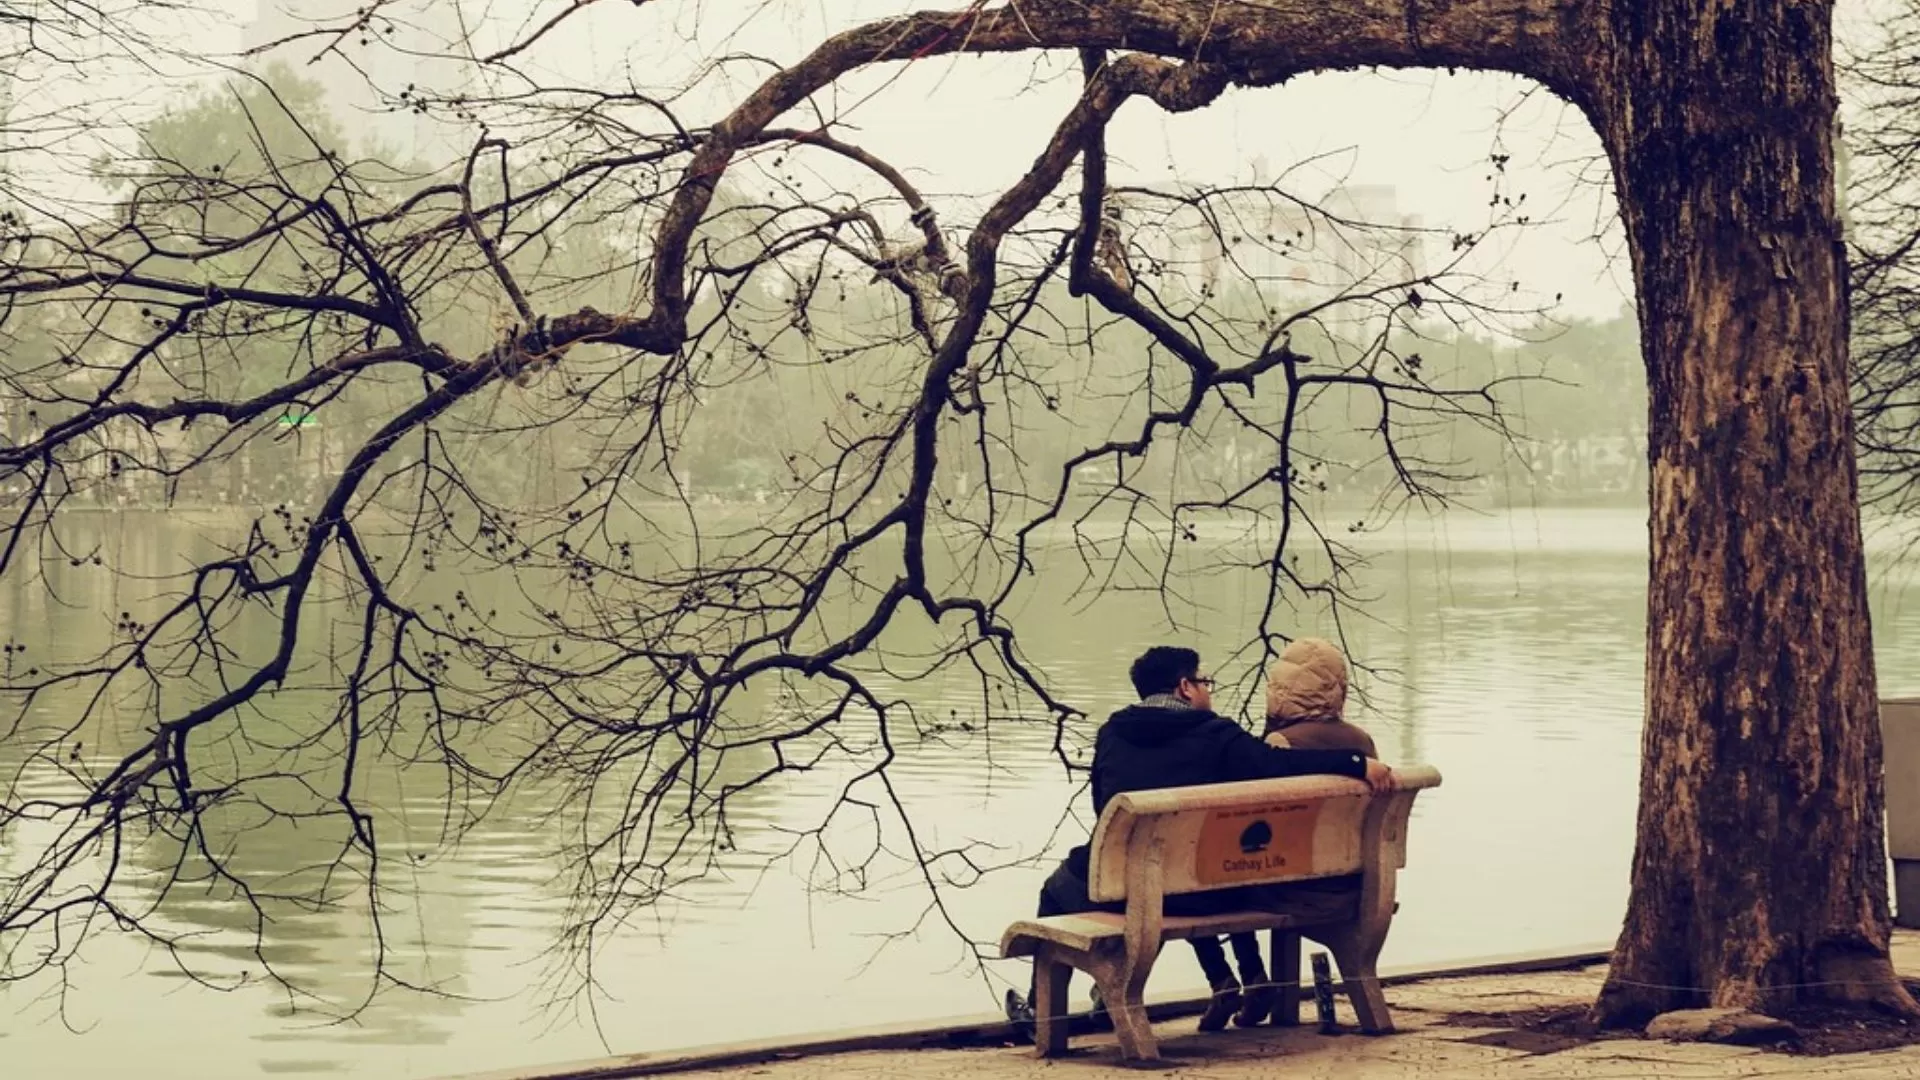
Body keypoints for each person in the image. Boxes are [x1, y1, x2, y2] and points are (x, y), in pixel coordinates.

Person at [1005, 645, 1394, 1039]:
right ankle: (1129, 995)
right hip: (1215, 890)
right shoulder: (1217, 735)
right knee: (1191, 868)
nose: (1209, 689)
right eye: (1205, 681)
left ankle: (1044, 1015)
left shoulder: (1112, 733)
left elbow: (1103, 809)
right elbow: (1279, 766)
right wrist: (1355, 763)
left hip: (1131, 889)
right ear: (1185, 687)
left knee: (1056, 891)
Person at [1209, 637, 1381, 1027]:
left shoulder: (1282, 743)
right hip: (1355, 887)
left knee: (1228, 877)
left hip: (1293, 892)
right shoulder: (1362, 743)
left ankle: (1252, 983)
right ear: (1338, 687)